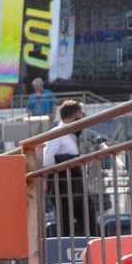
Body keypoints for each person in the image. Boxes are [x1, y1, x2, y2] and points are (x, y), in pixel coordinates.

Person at [41, 99, 95, 237]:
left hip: (75, 185)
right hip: (63, 185)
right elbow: (47, 159)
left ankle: (89, 244)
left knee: (88, 218)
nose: (82, 118)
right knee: (66, 221)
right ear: (76, 115)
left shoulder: (72, 134)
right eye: (81, 115)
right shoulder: (57, 133)